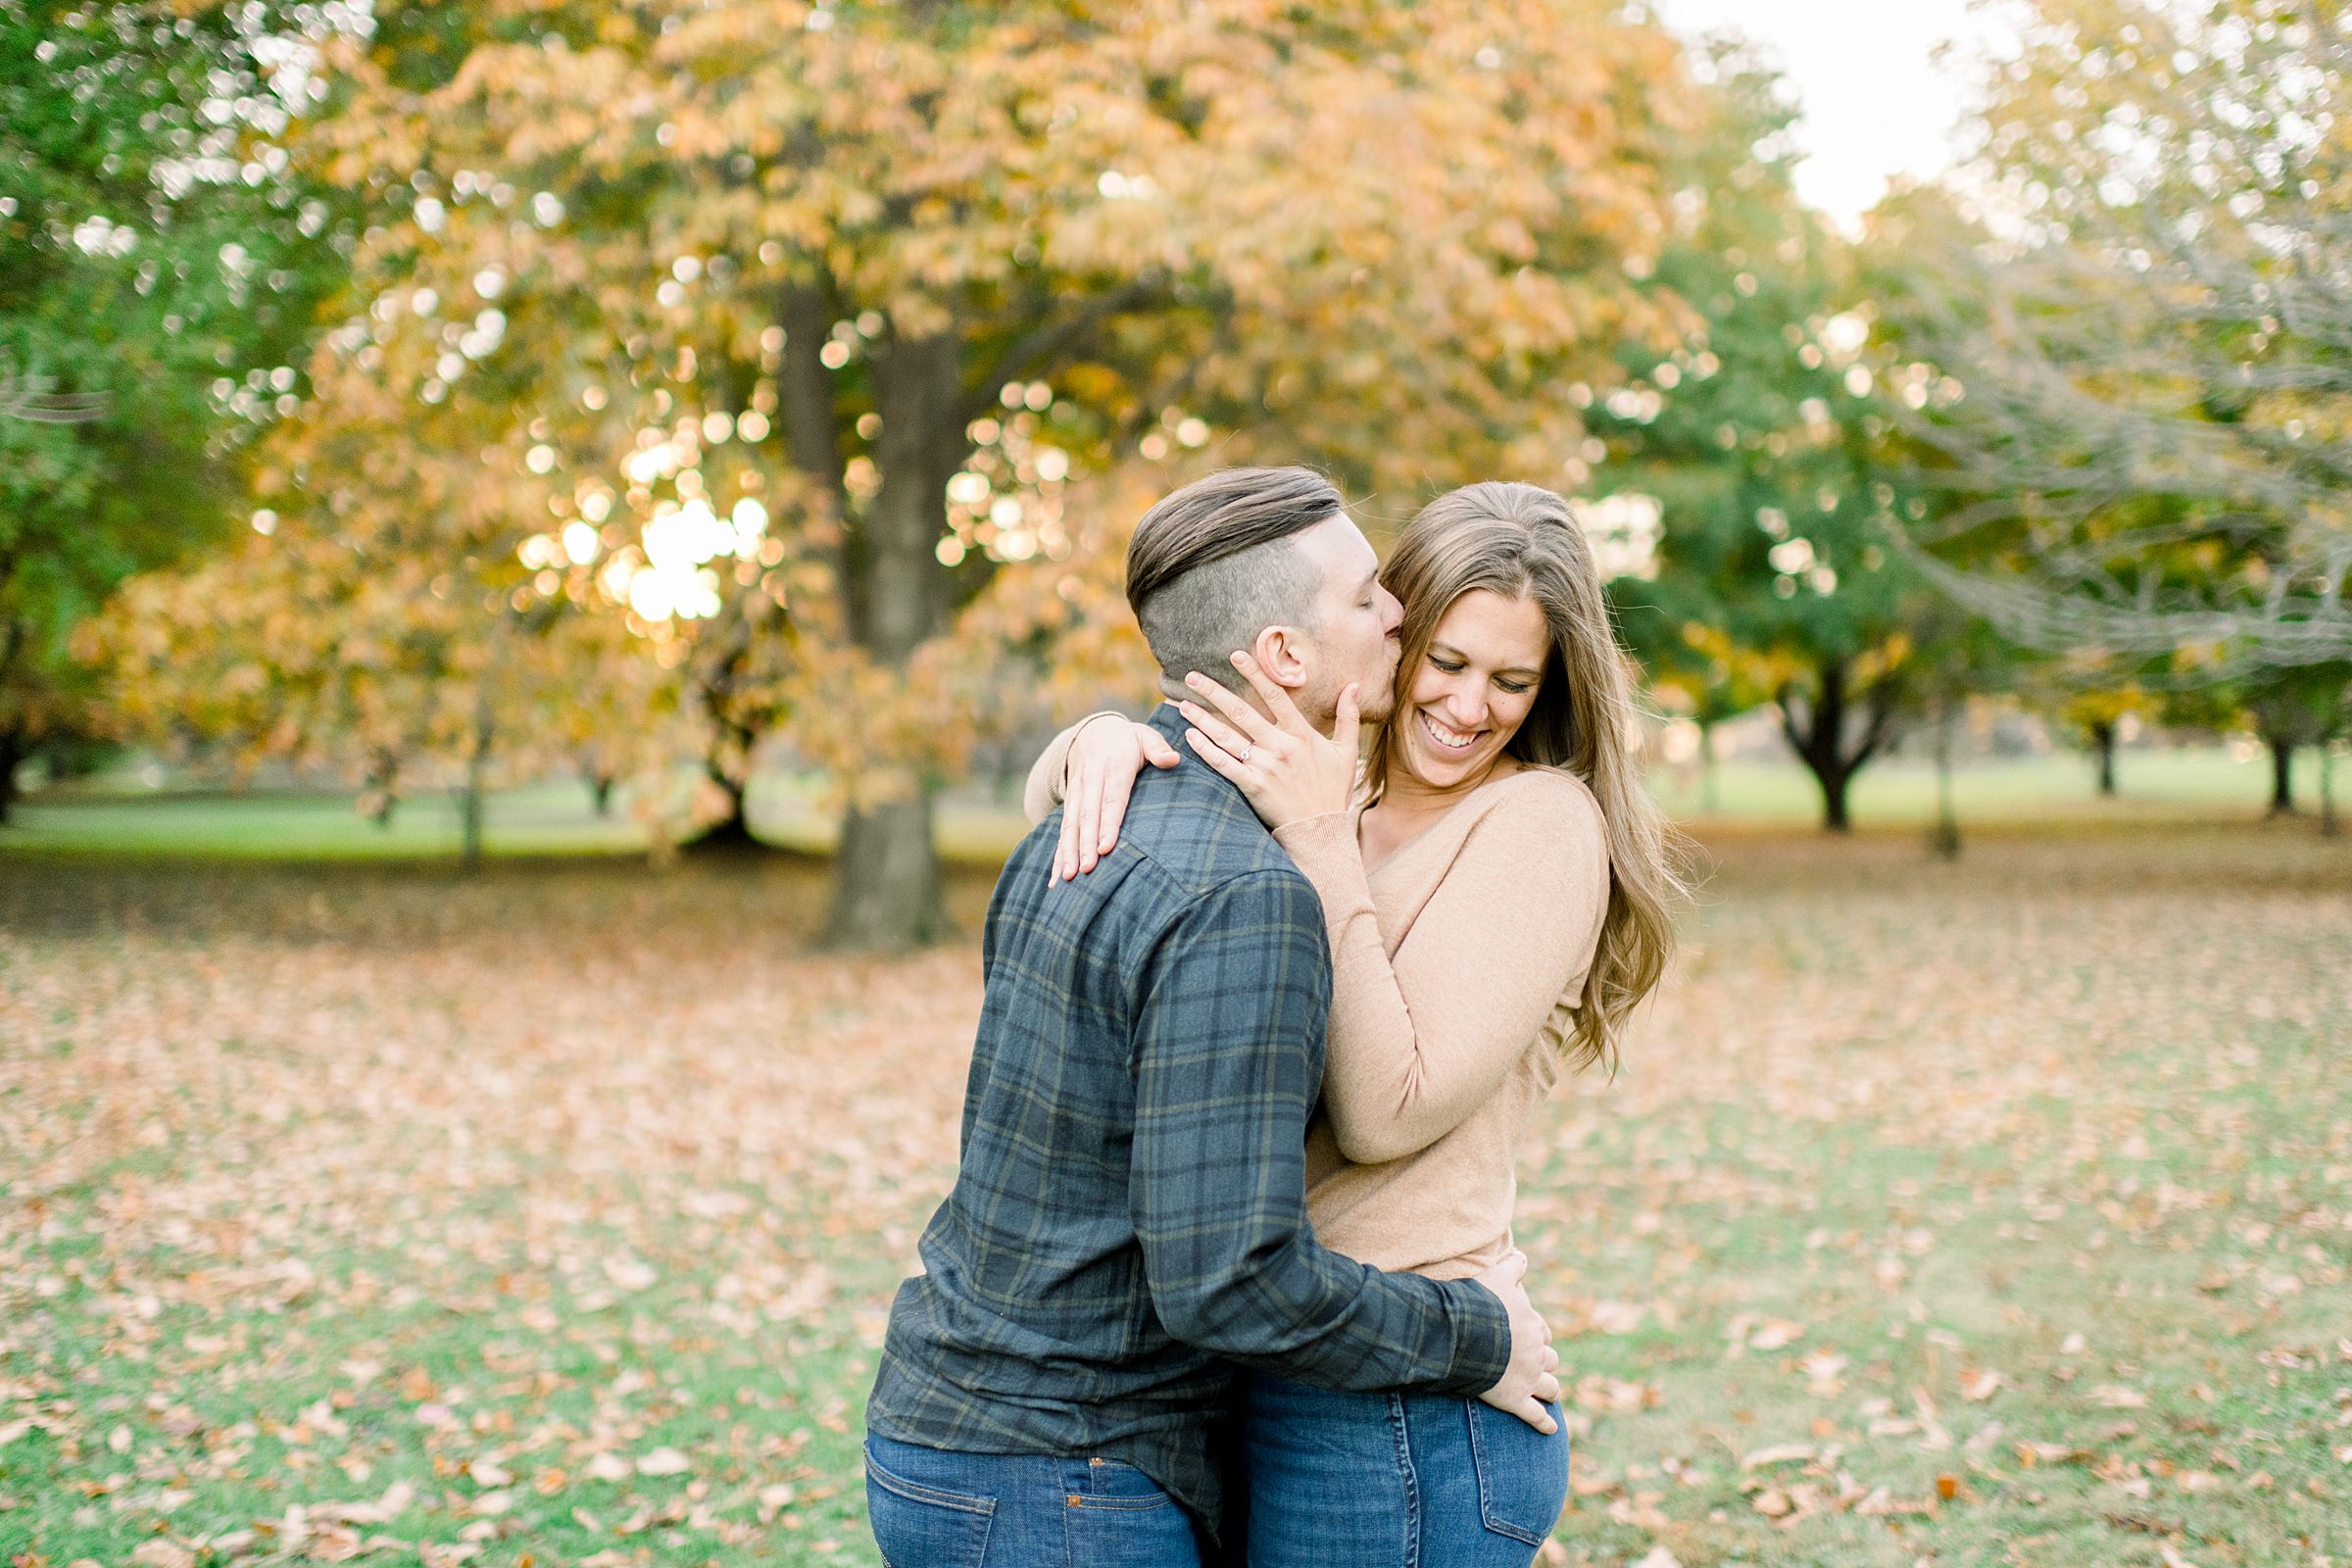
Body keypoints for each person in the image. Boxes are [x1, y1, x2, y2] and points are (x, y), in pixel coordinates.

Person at [864, 467, 1563, 1568]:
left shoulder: (1078, 829)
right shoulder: (1247, 887)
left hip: (967, 1429)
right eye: (1370, 597)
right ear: (1283, 655)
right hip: (1062, 1468)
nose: (1398, 613)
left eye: (1507, 676)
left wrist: (1114, 732)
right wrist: (1480, 1334)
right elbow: (1228, 1279)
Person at [1029, 480, 1688, 1567]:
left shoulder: (1534, 824)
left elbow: (1387, 1111)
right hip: (1271, 1358)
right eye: (1449, 661)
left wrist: (1323, 834)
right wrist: (1093, 743)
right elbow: (1113, 810)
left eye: (1513, 680)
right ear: (1395, 630)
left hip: (1408, 1411)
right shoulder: (1334, 796)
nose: (1471, 708)